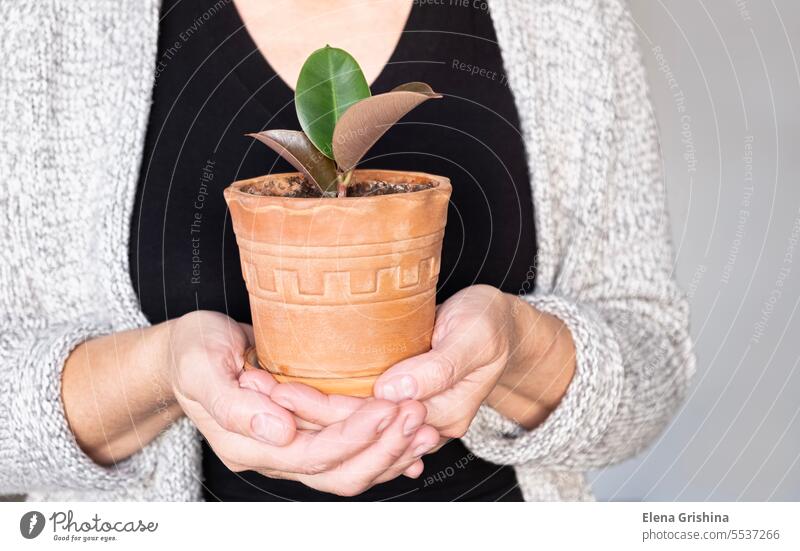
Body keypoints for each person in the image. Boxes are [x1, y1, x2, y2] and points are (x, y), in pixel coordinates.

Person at [0, 0, 694, 501]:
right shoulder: (49, 24)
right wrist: (163, 371)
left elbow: (652, 365)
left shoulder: (566, 19)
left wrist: (518, 347)